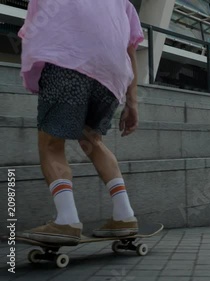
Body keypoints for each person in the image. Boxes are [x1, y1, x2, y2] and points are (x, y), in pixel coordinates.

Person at [18, 0, 144, 245]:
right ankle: (125, 215)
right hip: (112, 76)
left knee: (51, 144)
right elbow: (131, 50)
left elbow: (32, 29)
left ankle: (66, 220)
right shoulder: (121, 3)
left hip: (68, 63)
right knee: (92, 140)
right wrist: (132, 102)